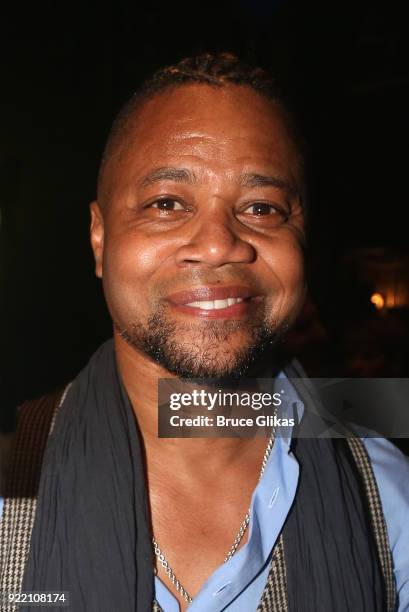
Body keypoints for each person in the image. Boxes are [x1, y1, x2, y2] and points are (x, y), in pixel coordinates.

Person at [0, 52, 408, 612]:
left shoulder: (387, 498)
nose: (219, 244)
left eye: (262, 208)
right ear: (99, 238)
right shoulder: (11, 488)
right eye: (166, 204)